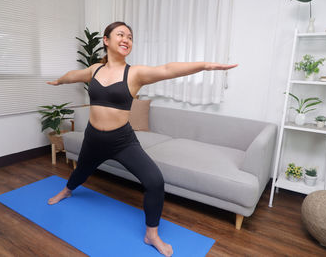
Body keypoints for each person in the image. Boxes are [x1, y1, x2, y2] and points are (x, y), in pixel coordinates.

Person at [47, 21, 237, 257]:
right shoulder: (94, 69)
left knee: (155, 181)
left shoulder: (134, 73)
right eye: (121, 34)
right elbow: (74, 75)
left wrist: (206, 66)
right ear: (106, 40)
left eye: (130, 36)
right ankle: (67, 190)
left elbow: (168, 69)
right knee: (81, 171)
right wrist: (59, 80)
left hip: (121, 140)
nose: (126, 39)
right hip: (93, 137)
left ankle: (152, 234)